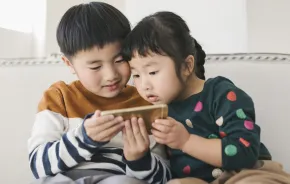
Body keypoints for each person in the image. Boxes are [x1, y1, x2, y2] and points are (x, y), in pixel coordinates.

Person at [121, 11, 290, 184]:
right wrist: (137, 156)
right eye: (137, 75)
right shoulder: (157, 111)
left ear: (187, 66)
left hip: (249, 174)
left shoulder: (221, 93)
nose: (144, 85)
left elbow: (245, 151)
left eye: (152, 72)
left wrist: (186, 141)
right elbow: (162, 174)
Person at [27, 3, 171, 184]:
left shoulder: (146, 101)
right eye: (95, 66)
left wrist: (140, 159)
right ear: (69, 64)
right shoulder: (59, 97)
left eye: (120, 60)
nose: (111, 75)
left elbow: (165, 178)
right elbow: (38, 164)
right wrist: (83, 139)